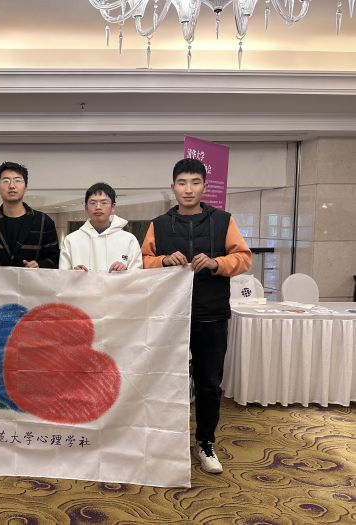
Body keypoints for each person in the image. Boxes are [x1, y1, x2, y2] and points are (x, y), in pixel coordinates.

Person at [141, 158, 251, 474]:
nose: (188, 189)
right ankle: (162, 441)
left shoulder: (223, 221)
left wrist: (217, 263)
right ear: (172, 187)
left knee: (208, 384)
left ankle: (205, 442)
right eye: (182, 183)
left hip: (211, 315)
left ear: (205, 186)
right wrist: (163, 261)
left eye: (195, 182)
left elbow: (244, 258)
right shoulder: (159, 224)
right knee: (163, 381)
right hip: (169, 317)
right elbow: (143, 261)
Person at [0, 161, 59, 268]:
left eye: (17, 180)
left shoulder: (44, 221)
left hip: (31, 279)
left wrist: (39, 265)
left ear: (26, 187)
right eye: (6, 181)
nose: (12, 186)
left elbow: (55, 260)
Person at [59, 182, 142, 272]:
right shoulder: (71, 240)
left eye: (104, 202)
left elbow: (137, 275)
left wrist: (125, 271)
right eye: (93, 203)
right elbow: (62, 276)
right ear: (86, 207)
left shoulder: (129, 239)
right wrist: (73, 274)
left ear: (113, 207)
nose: (98, 207)